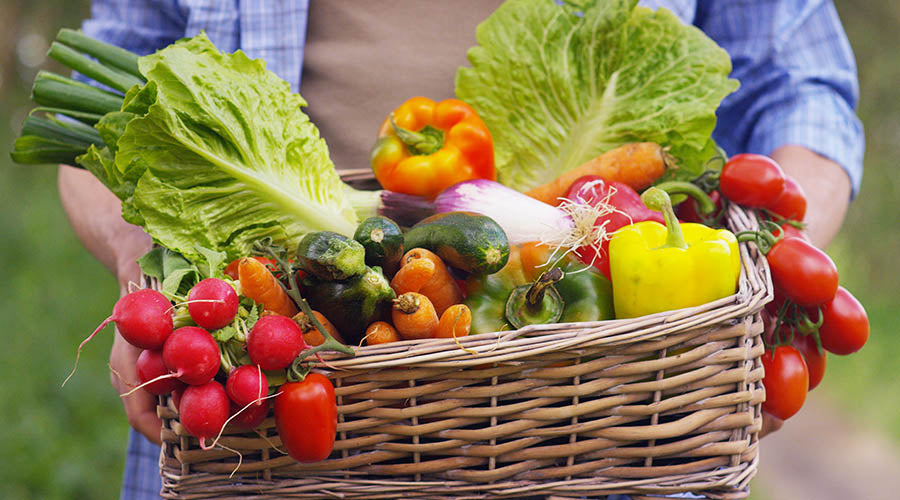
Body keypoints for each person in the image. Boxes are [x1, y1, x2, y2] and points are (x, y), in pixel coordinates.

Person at [59, 1, 863, 499]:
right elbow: (107, 108)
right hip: (267, 397)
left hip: (608, 412)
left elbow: (800, 81)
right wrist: (151, 277)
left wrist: (768, 265)